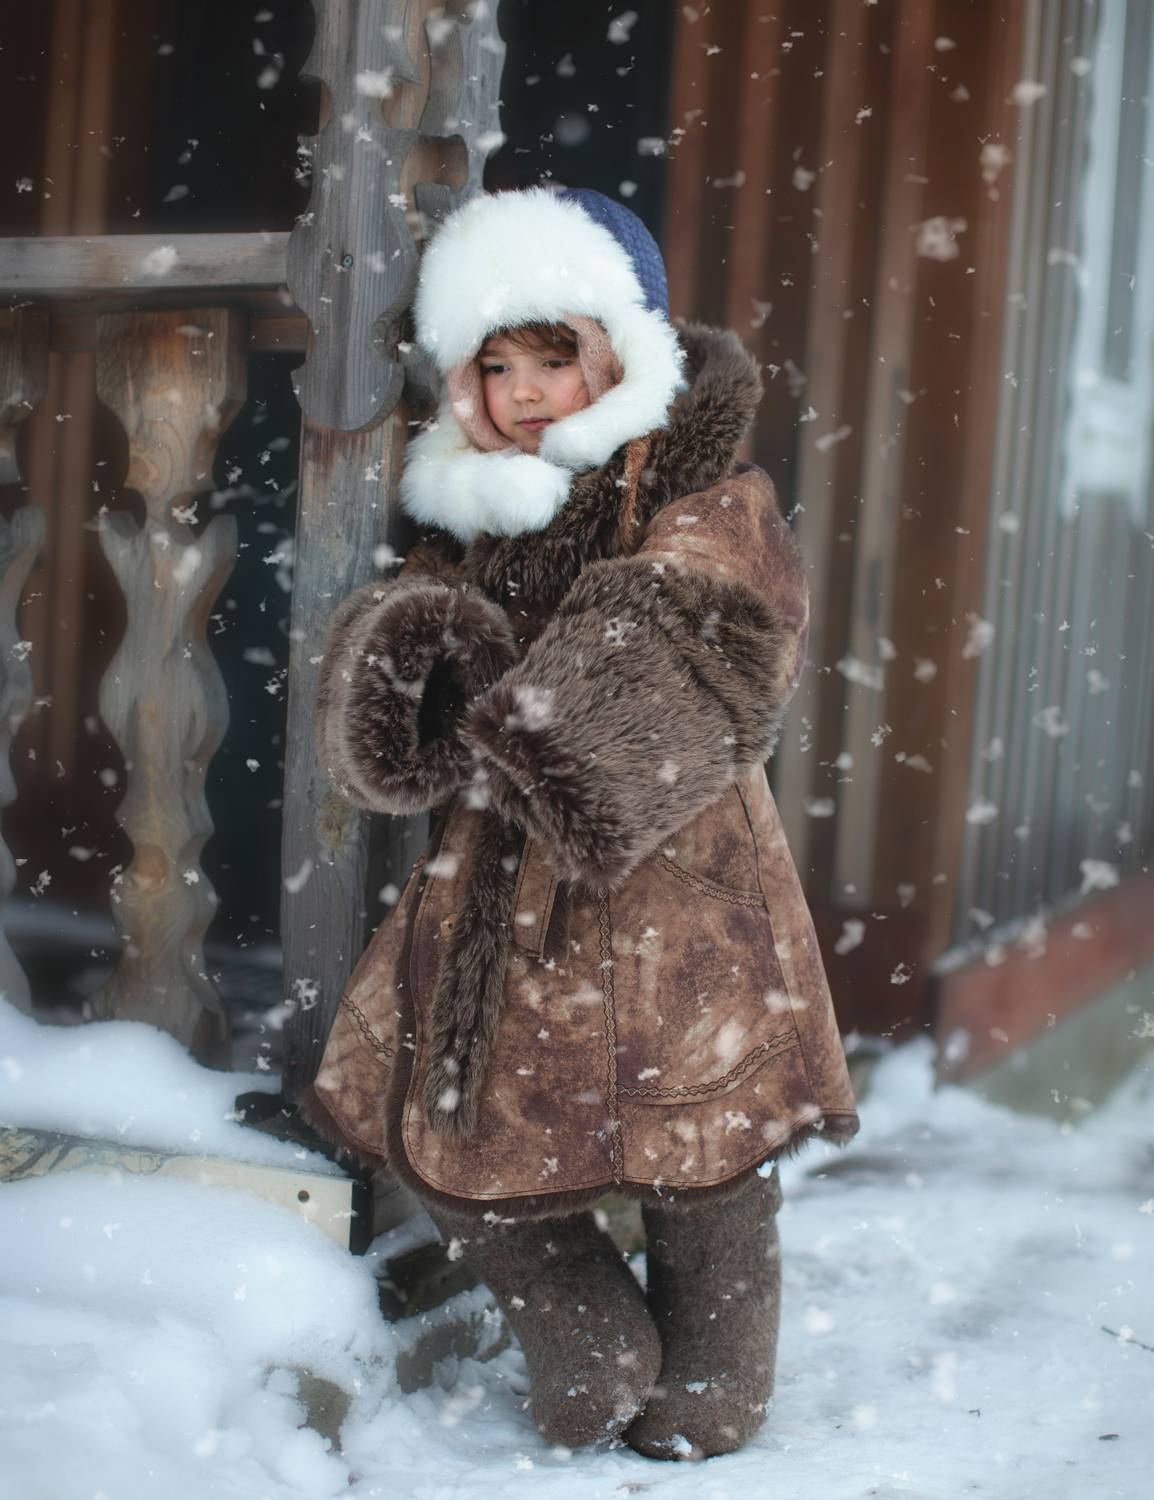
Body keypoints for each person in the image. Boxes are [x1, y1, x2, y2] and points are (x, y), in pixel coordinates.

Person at [305, 185, 860, 1459]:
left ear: (621, 350)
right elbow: (410, 665)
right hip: (500, 884)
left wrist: (550, 715)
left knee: (702, 1137)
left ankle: (713, 1372)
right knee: (453, 1119)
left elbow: (720, 611)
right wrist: (416, 654)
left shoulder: (701, 488)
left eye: (553, 358)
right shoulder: (470, 509)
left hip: (680, 875)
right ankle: (590, 1335)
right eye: (493, 366)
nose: (523, 393)